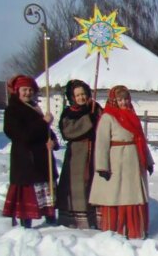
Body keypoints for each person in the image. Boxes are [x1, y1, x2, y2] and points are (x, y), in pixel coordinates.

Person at [89, 85, 154, 239]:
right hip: (117, 161)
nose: (124, 102)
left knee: (133, 197)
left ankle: (135, 230)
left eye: (126, 99)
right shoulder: (108, 117)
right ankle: (117, 230)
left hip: (134, 161)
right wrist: (102, 166)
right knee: (117, 196)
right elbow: (102, 143)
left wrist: (149, 161)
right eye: (120, 99)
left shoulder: (132, 115)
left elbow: (140, 139)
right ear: (114, 101)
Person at [2, 74, 59, 228]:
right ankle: (26, 224)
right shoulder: (12, 110)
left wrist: (53, 142)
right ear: (17, 90)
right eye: (24, 90)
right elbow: (21, 135)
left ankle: (51, 220)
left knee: (47, 191)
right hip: (26, 160)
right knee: (28, 192)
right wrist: (43, 122)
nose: (27, 93)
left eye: (30, 90)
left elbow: (46, 132)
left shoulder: (35, 107)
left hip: (42, 159)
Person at [56, 79, 102, 229]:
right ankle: (75, 220)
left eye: (83, 94)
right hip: (77, 154)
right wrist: (88, 119)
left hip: (95, 151)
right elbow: (68, 131)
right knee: (77, 186)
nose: (81, 98)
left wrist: (97, 114)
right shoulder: (69, 113)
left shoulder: (95, 108)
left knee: (94, 183)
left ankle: (96, 217)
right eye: (77, 95)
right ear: (72, 97)